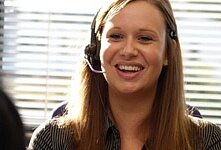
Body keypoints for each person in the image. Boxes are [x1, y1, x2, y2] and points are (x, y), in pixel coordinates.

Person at [28, 0, 221, 149]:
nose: (128, 51)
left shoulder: (208, 142)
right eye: (116, 36)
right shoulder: (52, 140)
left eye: (145, 38)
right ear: (95, 49)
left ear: (168, 53)